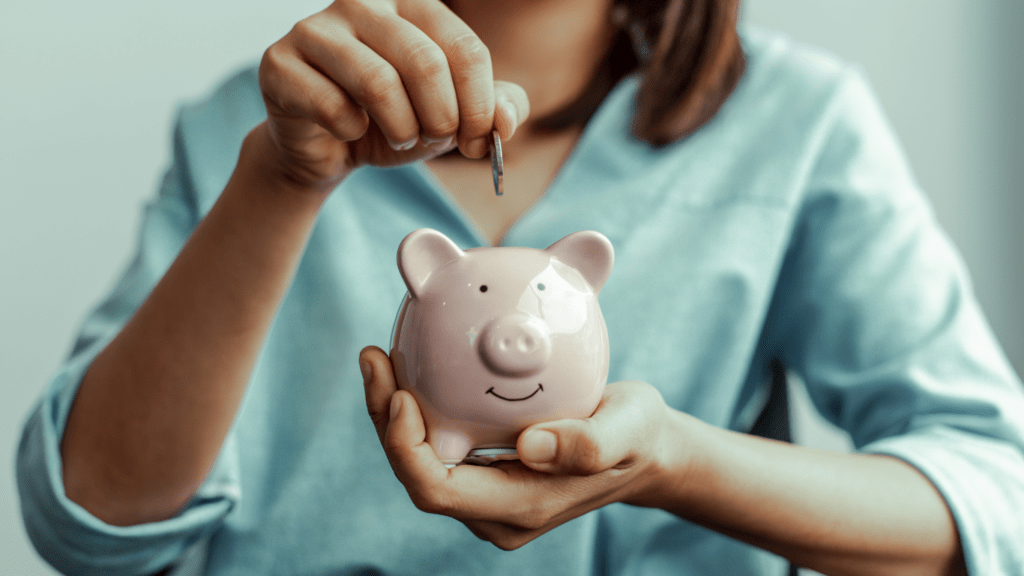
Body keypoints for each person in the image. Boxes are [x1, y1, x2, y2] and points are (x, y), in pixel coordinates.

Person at [16, 0, 1024, 574]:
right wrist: (279, 182)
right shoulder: (250, 134)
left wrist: (674, 460)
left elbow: (997, 501)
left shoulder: (797, 126)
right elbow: (90, 522)